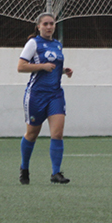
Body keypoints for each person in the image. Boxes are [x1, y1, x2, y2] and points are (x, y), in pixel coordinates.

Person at [18, 12, 73, 184]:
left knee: (57, 133)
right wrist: (42, 66)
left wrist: (64, 71)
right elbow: (21, 67)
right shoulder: (33, 43)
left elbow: (54, 68)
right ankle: (24, 168)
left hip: (55, 95)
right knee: (32, 134)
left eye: (52, 23)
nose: (49, 27)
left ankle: (56, 173)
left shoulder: (58, 45)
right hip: (36, 95)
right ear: (39, 26)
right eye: (46, 24)